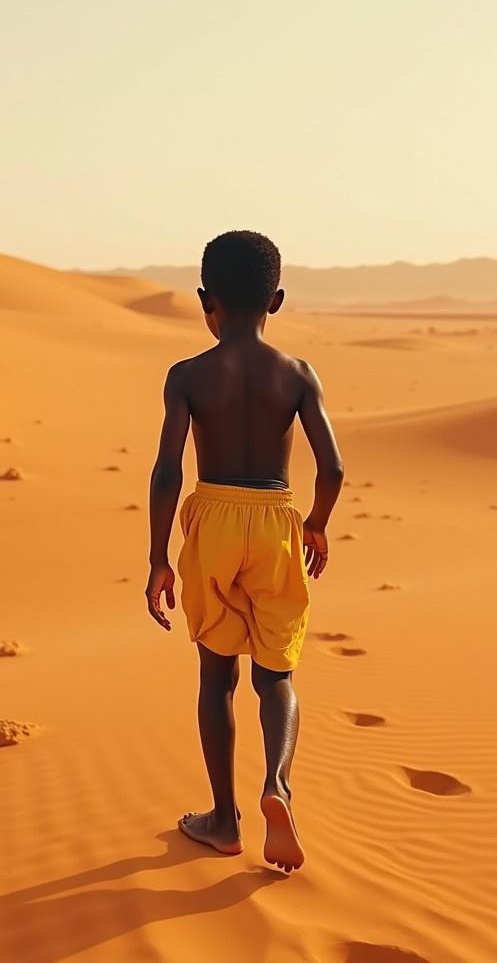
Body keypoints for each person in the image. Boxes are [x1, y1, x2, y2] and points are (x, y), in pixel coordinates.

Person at [145, 230, 344, 873]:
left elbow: (166, 471)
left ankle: (225, 819)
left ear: (205, 300)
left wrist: (158, 560)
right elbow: (334, 467)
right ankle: (277, 787)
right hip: (277, 518)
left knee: (216, 676)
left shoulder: (188, 376)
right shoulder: (297, 374)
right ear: (276, 300)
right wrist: (314, 524)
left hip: (214, 523)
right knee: (276, 675)